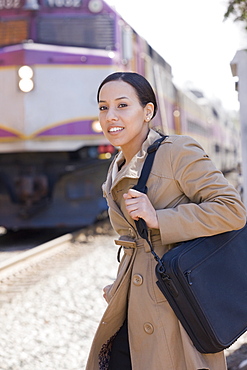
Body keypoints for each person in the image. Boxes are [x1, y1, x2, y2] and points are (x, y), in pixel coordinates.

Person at [86, 72, 246, 370]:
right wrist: (122, 285)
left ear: (148, 112)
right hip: (134, 303)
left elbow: (231, 210)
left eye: (122, 105)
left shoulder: (176, 151)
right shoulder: (117, 165)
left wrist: (159, 218)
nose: (111, 116)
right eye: (103, 107)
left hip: (176, 305)